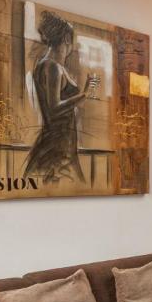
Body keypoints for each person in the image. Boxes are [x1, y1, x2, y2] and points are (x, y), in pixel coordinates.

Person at [24, 11, 99, 183]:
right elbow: (54, 108)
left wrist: (84, 93)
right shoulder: (52, 67)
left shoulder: (52, 66)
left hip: (63, 143)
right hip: (57, 145)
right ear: (66, 38)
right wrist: (84, 94)